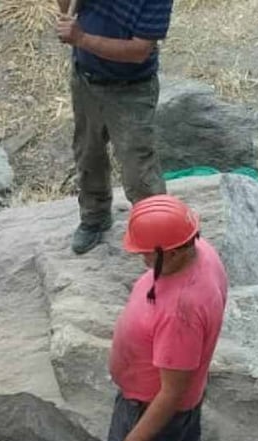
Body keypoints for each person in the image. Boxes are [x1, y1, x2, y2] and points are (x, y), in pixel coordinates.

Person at [102, 195, 228, 441]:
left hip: (150, 407)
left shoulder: (181, 310)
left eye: (147, 252)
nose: (141, 257)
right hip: (185, 400)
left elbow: (171, 393)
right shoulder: (201, 250)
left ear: (170, 252)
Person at [56, 0, 173, 254]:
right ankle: (94, 217)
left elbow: (139, 50)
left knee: (138, 169)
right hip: (85, 77)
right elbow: (68, 12)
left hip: (131, 90)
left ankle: (158, 238)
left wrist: (81, 39)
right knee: (88, 153)